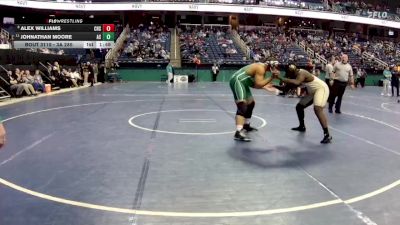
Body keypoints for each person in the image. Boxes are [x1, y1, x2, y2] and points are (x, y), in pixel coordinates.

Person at [273, 65, 332, 144]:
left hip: (321, 89)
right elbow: (286, 89)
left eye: (289, 75)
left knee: (317, 109)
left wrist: (280, 78)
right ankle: (302, 126)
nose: (288, 76)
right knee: (299, 107)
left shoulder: (302, 73)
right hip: (312, 91)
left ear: (293, 72)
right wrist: (272, 85)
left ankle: (327, 134)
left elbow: (297, 82)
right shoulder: (295, 76)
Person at [229, 62, 277, 142]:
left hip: (244, 82)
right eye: (275, 67)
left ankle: (246, 125)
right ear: (270, 66)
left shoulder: (263, 69)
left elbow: (254, 84)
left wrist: (264, 87)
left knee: (251, 104)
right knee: (242, 106)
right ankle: (238, 132)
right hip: (237, 81)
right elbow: (258, 84)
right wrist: (271, 78)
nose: (276, 69)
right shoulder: (260, 68)